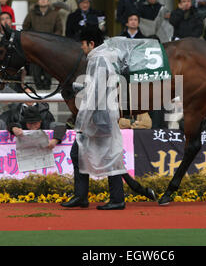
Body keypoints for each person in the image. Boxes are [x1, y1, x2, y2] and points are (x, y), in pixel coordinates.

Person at [61, 26, 156, 210]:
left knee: (103, 155)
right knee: (88, 153)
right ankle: (86, 196)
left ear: (91, 43)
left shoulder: (99, 59)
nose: (82, 48)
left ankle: (113, 199)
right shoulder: (104, 56)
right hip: (102, 114)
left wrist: (83, 117)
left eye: (83, 44)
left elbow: (98, 91)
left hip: (99, 116)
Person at [23, 0, 62, 90]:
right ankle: (38, 88)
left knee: (49, 69)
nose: (43, 0)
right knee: (36, 69)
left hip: (49, 46)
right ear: (37, 2)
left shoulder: (55, 14)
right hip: (35, 46)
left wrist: (51, 40)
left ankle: (47, 87)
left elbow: (59, 29)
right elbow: (25, 28)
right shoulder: (31, 14)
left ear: (48, 2)